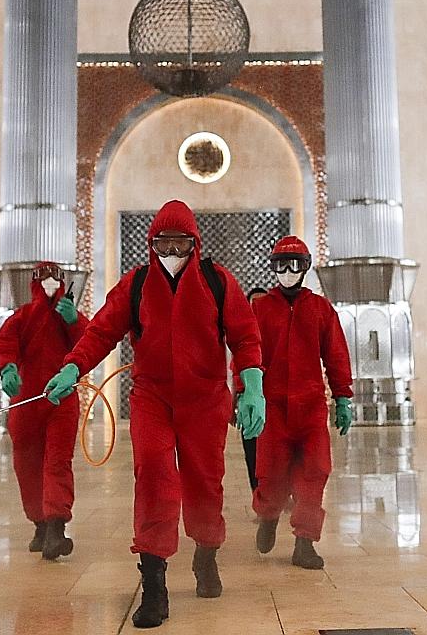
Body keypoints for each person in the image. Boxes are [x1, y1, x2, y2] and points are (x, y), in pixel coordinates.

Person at [45, 200, 264, 630]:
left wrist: (250, 384)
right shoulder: (137, 284)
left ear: (194, 244)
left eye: (180, 242)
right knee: (155, 479)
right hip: (152, 399)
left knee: (205, 480)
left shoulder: (217, 282)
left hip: (204, 402)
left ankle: (206, 553)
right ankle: (154, 582)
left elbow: (245, 336)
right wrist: (73, 365)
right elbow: (102, 330)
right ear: (151, 244)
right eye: (162, 242)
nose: (171, 250)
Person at [246, 235, 352, 570]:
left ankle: (305, 542)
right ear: (273, 268)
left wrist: (343, 396)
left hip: (310, 408)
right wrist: (243, 393)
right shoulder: (260, 308)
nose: (288, 272)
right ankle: (268, 515)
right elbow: (248, 354)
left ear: (305, 268)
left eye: (295, 265)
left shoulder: (320, 309)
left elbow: (335, 355)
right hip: (273, 408)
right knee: (272, 474)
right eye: (281, 265)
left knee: (315, 472)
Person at [0, 261, 87, 560]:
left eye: (55, 277)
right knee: (27, 465)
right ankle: (40, 523)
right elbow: (5, 342)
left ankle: (56, 526)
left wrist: (75, 322)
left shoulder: (69, 316)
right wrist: (8, 368)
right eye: (43, 277)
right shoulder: (21, 318)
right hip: (27, 403)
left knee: (58, 461)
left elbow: (90, 342)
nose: (50, 283)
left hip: (62, 401)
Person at [239, 286, 268, 492]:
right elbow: (237, 366)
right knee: (253, 451)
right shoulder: (242, 335)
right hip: (248, 399)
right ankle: (258, 494)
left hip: (275, 400)